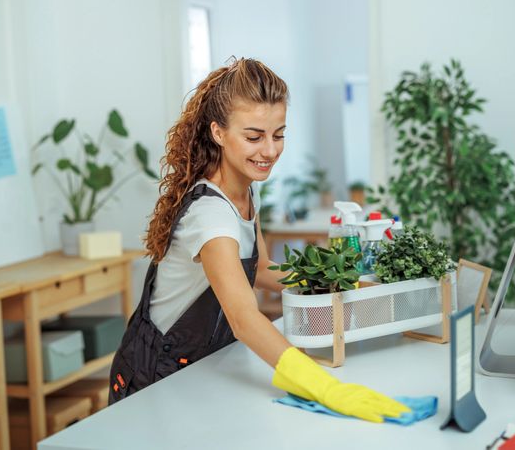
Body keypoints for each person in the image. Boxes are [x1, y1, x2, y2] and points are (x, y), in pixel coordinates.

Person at [108, 58, 410, 423]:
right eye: (254, 137)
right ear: (218, 132)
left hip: (202, 366)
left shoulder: (246, 192)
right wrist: (325, 387)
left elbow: (262, 268)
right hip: (153, 376)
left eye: (278, 134)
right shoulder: (211, 214)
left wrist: (343, 285)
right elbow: (243, 317)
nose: (269, 151)